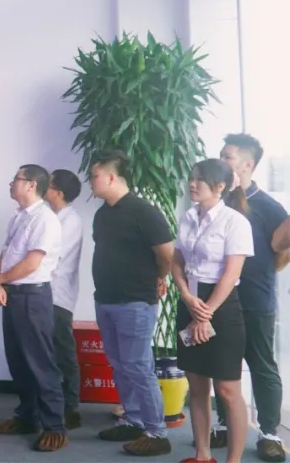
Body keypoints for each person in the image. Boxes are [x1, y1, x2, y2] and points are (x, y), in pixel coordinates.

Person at [88, 149, 173, 457]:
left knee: (138, 366)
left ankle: (156, 431)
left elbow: (166, 253)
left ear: (112, 177)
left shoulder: (143, 211)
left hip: (136, 301)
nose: (91, 181)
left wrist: (159, 277)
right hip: (106, 299)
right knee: (119, 363)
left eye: (95, 176)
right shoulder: (102, 214)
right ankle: (133, 420)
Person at [171, 158, 253, 463]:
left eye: (200, 180)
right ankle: (202, 455)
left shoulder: (235, 222)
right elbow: (176, 260)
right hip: (190, 301)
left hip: (222, 305)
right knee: (197, 385)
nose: (192, 184)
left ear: (219, 187)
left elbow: (231, 274)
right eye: (192, 178)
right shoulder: (188, 217)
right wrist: (186, 296)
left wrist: (205, 314)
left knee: (227, 389)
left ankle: (234, 460)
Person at [216, 135, 287, 462]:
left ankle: (269, 433)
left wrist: (265, 271)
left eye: (228, 157)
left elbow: (282, 251)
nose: (222, 161)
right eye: (221, 155)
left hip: (256, 300)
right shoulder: (218, 201)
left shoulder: (268, 206)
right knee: (222, 364)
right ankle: (223, 424)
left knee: (262, 366)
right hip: (219, 300)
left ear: (247, 164)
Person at [0, 164, 67, 452]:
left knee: (40, 362)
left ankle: (55, 426)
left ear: (32, 185)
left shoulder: (45, 219)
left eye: (16, 179)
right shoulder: (19, 217)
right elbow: (5, 255)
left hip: (33, 297)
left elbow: (32, 263)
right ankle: (27, 417)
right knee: (18, 360)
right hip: (13, 294)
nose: (11, 183)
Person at [45, 169, 83, 429]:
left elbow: (53, 255)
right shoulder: (49, 216)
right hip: (43, 291)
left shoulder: (70, 221)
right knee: (47, 350)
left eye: (47, 184)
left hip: (58, 294)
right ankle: (52, 402)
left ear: (58, 193)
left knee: (63, 350)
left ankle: (71, 406)